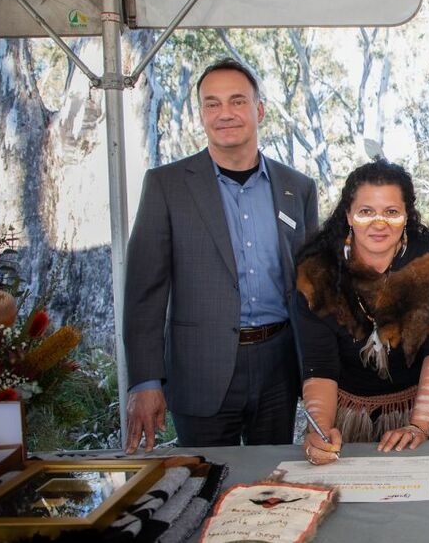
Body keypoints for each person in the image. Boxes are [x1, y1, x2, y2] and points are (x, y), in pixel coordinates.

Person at [124, 58, 318, 452]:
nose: (225, 113)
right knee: (206, 479)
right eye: (212, 104)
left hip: (279, 367)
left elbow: (312, 286)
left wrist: (319, 368)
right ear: (201, 115)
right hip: (199, 368)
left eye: (237, 101)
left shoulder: (297, 187)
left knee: (272, 478)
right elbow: (145, 292)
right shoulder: (166, 185)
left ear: (259, 110)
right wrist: (145, 381)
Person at [295, 159, 429, 465]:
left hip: (417, 406)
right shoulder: (317, 273)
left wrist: (419, 425)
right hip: (347, 412)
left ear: (406, 215)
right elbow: (320, 365)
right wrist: (320, 431)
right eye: (366, 212)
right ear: (348, 215)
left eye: (391, 212)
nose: (379, 223)